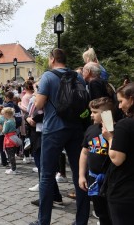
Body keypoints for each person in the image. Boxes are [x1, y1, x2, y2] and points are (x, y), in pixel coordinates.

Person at [30, 48, 90, 225]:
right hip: (75, 128)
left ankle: (44, 221)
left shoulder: (48, 77)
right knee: (79, 174)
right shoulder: (77, 76)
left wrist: (36, 96)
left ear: (52, 59)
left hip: (54, 129)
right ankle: (81, 221)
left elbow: (40, 104)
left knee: (47, 176)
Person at [102, 83, 134, 224]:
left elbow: (117, 158)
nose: (120, 106)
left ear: (131, 99)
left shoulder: (125, 125)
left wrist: (110, 138)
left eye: (121, 101)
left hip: (125, 191)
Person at [79, 97, 113, 225]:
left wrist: (110, 133)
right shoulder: (91, 130)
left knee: (112, 213)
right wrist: (81, 175)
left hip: (111, 180)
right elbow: (84, 152)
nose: (91, 115)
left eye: (94, 112)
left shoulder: (117, 130)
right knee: (101, 212)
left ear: (106, 113)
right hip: (93, 179)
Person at [1, 107, 18, 175]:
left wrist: (3, 128)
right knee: (12, 154)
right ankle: (13, 168)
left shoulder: (7, 122)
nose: (3, 115)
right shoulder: (13, 120)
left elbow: (4, 131)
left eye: (4, 114)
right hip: (13, 138)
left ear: (7, 114)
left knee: (10, 155)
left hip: (9, 139)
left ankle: (13, 169)